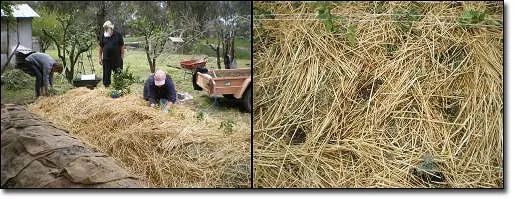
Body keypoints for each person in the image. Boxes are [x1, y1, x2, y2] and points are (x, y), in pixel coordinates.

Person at [99, 20, 124, 87]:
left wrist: (122, 57)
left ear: (111, 28)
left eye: (107, 28)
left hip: (117, 59)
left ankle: (119, 87)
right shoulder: (103, 36)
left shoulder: (118, 35)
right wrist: (100, 58)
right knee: (106, 75)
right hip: (106, 60)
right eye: (105, 28)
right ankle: (106, 87)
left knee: (118, 74)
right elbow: (101, 47)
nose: (106, 29)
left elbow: (122, 46)